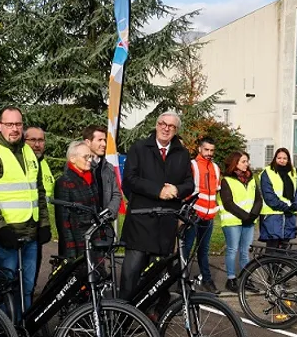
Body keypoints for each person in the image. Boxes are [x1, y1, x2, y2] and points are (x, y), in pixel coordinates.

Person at [0, 106, 51, 317]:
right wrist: (0, 229)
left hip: (29, 232)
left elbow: (38, 191)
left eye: (18, 124)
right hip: (2, 235)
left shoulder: (27, 150)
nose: (14, 129)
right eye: (9, 124)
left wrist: (44, 223)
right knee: (4, 288)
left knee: (25, 289)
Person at [119, 111, 195, 301]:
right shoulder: (139, 148)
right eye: (162, 123)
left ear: (175, 130)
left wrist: (177, 190)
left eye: (170, 126)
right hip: (140, 222)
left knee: (158, 277)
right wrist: (157, 190)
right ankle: (123, 317)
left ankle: (154, 317)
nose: (165, 128)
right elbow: (129, 180)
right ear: (156, 125)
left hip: (166, 224)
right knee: (131, 274)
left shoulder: (182, 153)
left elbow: (190, 184)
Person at [54, 141, 109, 260]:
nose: (90, 160)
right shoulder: (64, 182)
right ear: (73, 158)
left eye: (91, 156)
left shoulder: (91, 178)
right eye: (86, 157)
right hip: (77, 241)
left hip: (95, 236)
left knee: (99, 274)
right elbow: (63, 220)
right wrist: (70, 251)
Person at [218, 151, 261, 291]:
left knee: (245, 251)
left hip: (249, 220)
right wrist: (246, 216)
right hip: (233, 221)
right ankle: (231, 279)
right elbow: (228, 203)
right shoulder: (226, 180)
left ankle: (245, 279)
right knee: (232, 250)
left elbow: (258, 199)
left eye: (247, 161)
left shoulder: (251, 179)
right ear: (234, 163)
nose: (246, 164)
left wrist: (253, 215)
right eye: (243, 161)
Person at [182, 137, 220, 293]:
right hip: (194, 215)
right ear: (200, 149)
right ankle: (182, 280)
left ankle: (207, 279)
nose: (209, 153)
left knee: (203, 250)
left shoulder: (216, 167)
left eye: (212, 150)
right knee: (187, 248)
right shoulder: (192, 165)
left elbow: (215, 191)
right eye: (206, 150)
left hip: (209, 216)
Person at [25, 126, 52, 287]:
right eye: (32, 140)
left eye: (40, 140)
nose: (37, 144)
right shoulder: (24, 164)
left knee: (31, 280)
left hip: (38, 227)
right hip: (20, 228)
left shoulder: (44, 165)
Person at [258, 147, 297, 249]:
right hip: (273, 215)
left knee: (284, 246)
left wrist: (296, 204)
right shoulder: (267, 172)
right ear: (275, 158)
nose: (282, 160)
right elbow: (269, 195)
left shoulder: (293, 172)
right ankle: (269, 265)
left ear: (288, 160)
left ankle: (279, 265)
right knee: (272, 247)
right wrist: (285, 207)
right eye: (279, 158)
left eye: (285, 158)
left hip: (289, 215)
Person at [82, 124, 123, 220]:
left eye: (105, 140)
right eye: (99, 140)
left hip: (105, 224)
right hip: (85, 224)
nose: (104, 144)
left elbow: (116, 194)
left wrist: (108, 215)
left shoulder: (109, 167)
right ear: (88, 142)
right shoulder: (79, 166)